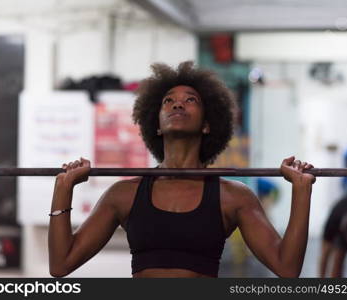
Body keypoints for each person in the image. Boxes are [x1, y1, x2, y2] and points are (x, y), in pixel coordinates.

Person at [48, 61, 315, 278]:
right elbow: (61, 265)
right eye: (168, 101)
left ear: (207, 125)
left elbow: (286, 268)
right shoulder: (123, 194)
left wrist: (301, 192)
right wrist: (63, 188)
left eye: (190, 100)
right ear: (156, 124)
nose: (177, 104)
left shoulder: (233, 197)